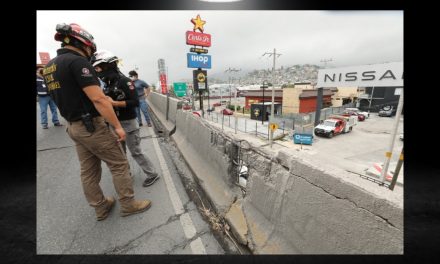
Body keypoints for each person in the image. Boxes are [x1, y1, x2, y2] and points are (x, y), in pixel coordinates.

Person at [42, 23, 151, 221]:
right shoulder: (78, 62)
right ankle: (128, 204)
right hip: (91, 126)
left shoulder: (49, 67)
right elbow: (98, 99)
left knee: (88, 171)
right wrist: (117, 127)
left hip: (73, 126)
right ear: (84, 43)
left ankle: (101, 207)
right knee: (119, 164)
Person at [91, 50, 160, 187]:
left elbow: (134, 102)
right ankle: (126, 174)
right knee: (120, 153)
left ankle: (152, 174)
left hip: (128, 123)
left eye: (99, 68)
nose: (97, 71)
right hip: (114, 123)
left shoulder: (125, 81)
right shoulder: (108, 83)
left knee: (135, 152)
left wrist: (114, 103)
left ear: (107, 66)